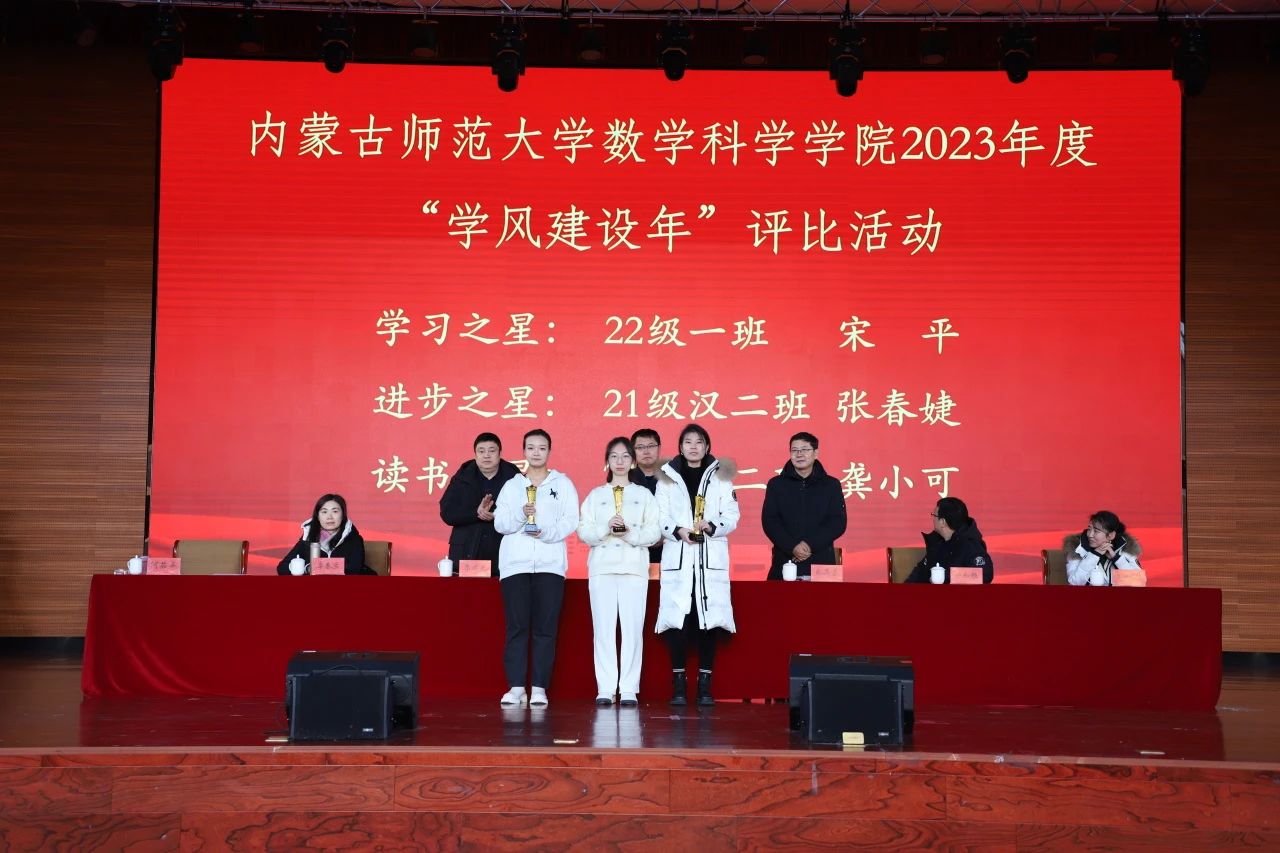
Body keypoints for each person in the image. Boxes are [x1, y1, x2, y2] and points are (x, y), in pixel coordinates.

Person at [493, 429, 579, 708]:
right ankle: (517, 687)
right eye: (531, 448)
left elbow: (571, 521)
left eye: (542, 448)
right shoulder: (511, 486)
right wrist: (522, 513)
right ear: (524, 452)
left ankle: (539, 688)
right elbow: (500, 523)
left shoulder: (562, 484)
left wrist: (545, 532)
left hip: (550, 565)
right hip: (515, 566)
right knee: (517, 627)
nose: (536, 452)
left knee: (545, 628)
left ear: (549, 451)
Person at [655, 423, 739, 707]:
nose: (693, 446)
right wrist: (677, 530)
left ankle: (705, 685)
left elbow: (732, 514)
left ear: (707, 446)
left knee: (708, 621)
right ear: (680, 447)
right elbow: (659, 515)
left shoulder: (721, 477)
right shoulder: (667, 477)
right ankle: (678, 683)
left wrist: (712, 526)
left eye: (699, 442)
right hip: (679, 556)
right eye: (688, 442)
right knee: (678, 620)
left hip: (709, 557)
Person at [578, 437, 661, 707]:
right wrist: (606, 528)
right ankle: (605, 687)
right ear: (607, 461)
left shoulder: (644, 495)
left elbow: (654, 531)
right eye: (614, 456)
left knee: (632, 629)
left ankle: (628, 688)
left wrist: (629, 533)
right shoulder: (596, 495)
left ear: (633, 461)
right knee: (603, 629)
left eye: (625, 456)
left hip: (634, 568)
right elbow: (583, 530)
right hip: (602, 568)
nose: (620, 461)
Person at [761, 431, 848, 580]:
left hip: (822, 562)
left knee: (826, 596)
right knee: (778, 596)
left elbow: (837, 522)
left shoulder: (831, 485)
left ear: (816, 453)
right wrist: (792, 546)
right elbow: (770, 521)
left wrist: (809, 545)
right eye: (794, 450)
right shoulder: (776, 484)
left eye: (805, 449)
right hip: (786, 560)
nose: (799, 454)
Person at [438, 432, 520, 577]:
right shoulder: (463, 477)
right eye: (481, 451)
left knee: (502, 591)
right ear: (475, 455)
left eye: (491, 451)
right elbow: (447, 513)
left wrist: (496, 515)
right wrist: (476, 513)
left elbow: (523, 512)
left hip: (503, 552)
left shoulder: (514, 477)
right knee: (468, 591)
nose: (486, 455)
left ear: (500, 453)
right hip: (467, 552)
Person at [276, 493, 374, 575]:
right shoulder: (308, 538)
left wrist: (315, 567)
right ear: (318, 517)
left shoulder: (354, 539)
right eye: (324, 512)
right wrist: (307, 568)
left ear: (343, 515)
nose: (329, 517)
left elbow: (353, 570)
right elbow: (282, 567)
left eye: (335, 511)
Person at [904, 497, 994, 584]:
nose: (932, 519)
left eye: (934, 515)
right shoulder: (937, 543)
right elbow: (920, 573)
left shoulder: (971, 545)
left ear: (943, 522)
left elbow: (984, 575)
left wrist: (945, 576)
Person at [1066, 510, 1144, 586]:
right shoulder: (1078, 550)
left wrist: (1116, 559)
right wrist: (1094, 555)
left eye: (1096, 531)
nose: (1090, 535)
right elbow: (1074, 583)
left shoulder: (1125, 550)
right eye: (1089, 529)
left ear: (1111, 535)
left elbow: (1138, 583)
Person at [628, 427, 664, 566]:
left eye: (651, 446)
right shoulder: (624, 479)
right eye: (640, 447)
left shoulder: (672, 478)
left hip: (666, 550)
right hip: (632, 550)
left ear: (659, 448)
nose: (646, 451)